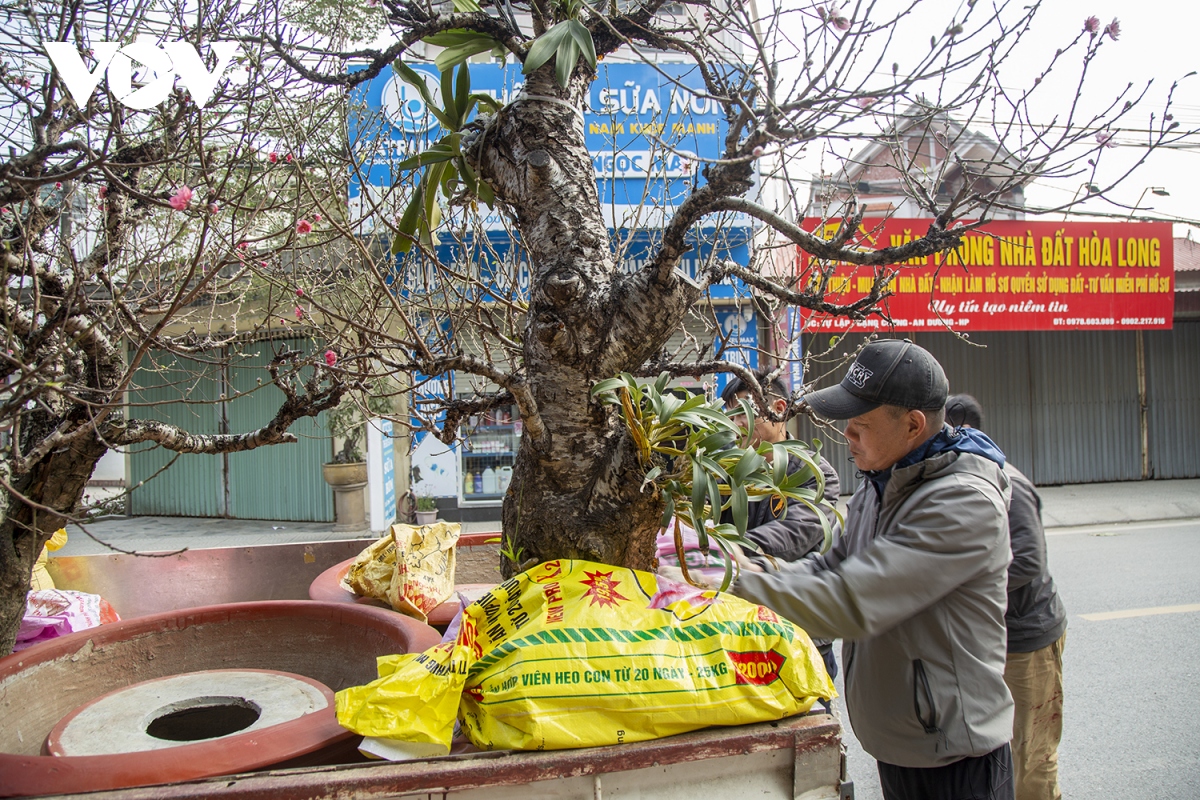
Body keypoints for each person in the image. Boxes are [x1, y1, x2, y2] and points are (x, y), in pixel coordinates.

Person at [700, 340, 1015, 800]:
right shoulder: (882, 482)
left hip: (954, 755)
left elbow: (853, 598)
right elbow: (832, 565)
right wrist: (757, 565)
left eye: (861, 423)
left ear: (913, 425)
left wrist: (740, 581)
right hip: (903, 743)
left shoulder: (962, 502)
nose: (847, 433)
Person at [946, 394, 1067, 800]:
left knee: (1031, 753)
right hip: (991, 639)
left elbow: (1029, 560)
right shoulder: (964, 478)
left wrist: (969, 588)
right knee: (999, 749)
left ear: (961, 431)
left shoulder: (1008, 482)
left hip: (1027, 639)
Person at [718, 369, 842, 679]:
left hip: (798, 632)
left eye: (745, 412)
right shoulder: (726, 473)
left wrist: (737, 549)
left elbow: (798, 530)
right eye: (731, 415)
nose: (737, 424)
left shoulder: (814, 474)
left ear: (778, 409)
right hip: (741, 627)